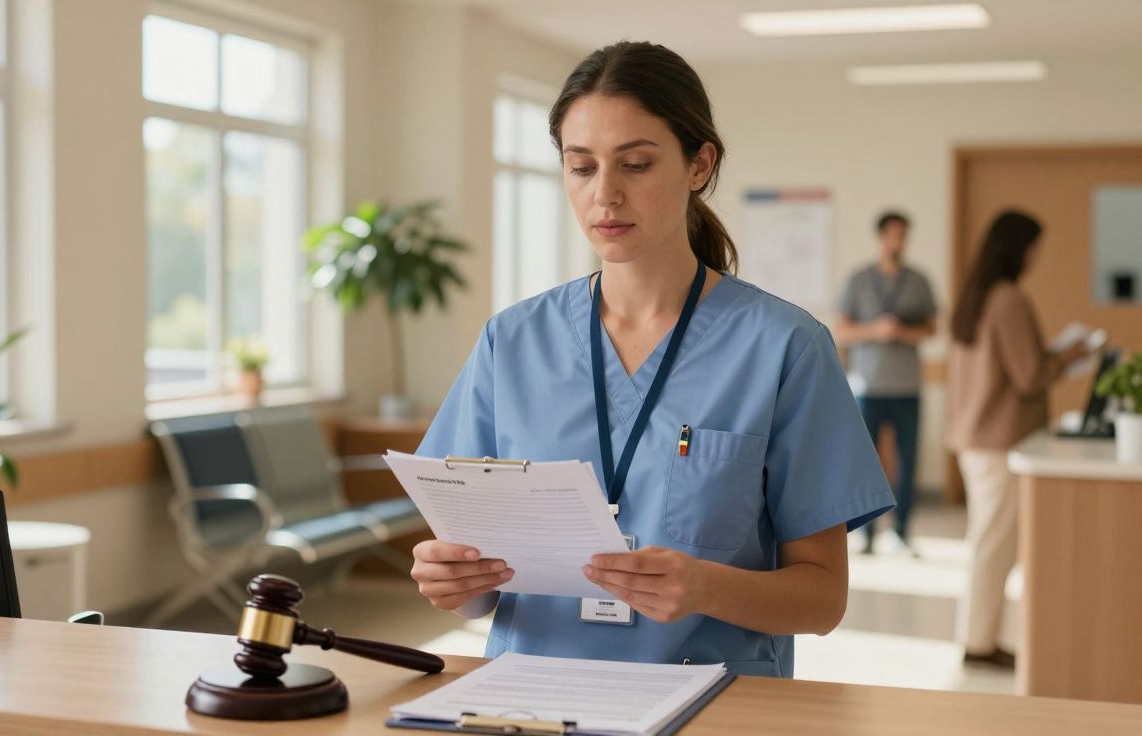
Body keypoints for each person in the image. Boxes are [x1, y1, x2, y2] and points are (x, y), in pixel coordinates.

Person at [408, 41, 894, 677]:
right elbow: (477, 590)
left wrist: (705, 587)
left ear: (699, 164)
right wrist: (452, 580)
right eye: (581, 168)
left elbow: (823, 599)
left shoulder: (784, 346)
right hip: (531, 697)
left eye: (635, 164)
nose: (605, 194)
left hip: (713, 704)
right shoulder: (512, 342)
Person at [946, 210, 1091, 669]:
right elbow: (1028, 376)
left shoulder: (977, 295)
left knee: (988, 541)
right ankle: (979, 642)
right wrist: (1068, 357)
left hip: (977, 438)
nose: (1036, 256)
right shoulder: (1008, 299)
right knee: (994, 545)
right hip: (1000, 439)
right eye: (1033, 247)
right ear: (1017, 248)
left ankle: (979, 636)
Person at [836, 212, 938, 556]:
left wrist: (903, 333)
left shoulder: (919, 281)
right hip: (868, 386)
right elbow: (843, 331)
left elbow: (932, 329)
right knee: (865, 461)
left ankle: (902, 531)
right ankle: (864, 533)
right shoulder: (859, 280)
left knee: (908, 460)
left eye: (903, 236)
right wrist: (876, 331)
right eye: (893, 235)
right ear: (881, 237)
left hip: (907, 387)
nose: (898, 242)